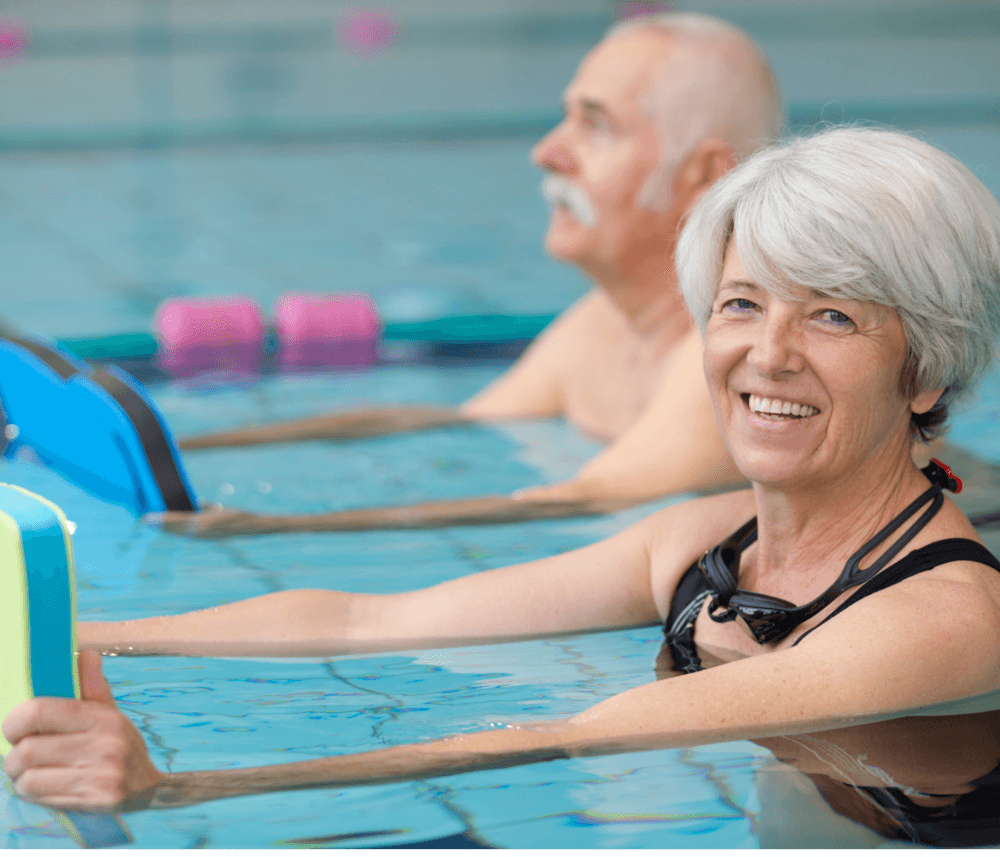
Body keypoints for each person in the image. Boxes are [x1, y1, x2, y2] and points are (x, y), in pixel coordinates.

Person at [9, 128, 1000, 846]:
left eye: (832, 317)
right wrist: (64, 635)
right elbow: (367, 619)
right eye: (741, 303)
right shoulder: (704, 539)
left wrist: (177, 788)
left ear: (924, 371)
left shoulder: (947, 617)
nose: (767, 354)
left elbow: (562, 735)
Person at [159, 12, 782, 537]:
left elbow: (586, 499)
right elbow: (457, 423)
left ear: (703, 176)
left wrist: (271, 527)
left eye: (595, 126)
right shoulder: (604, 321)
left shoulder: (722, 363)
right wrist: (181, 449)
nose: (547, 152)